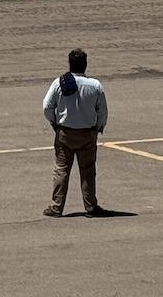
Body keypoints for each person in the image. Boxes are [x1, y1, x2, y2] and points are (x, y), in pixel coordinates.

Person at [42, 48, 108, 217]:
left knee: (61, 170)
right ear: (85, 65)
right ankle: (91, 207)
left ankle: (57, 207)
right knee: (87, 171)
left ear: (69, 64)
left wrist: (55, 123)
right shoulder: (95, 85)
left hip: (65, 133)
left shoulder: (59, 82)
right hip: (87, 134)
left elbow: (47, 106)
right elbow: (102, 111)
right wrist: (98, 127)